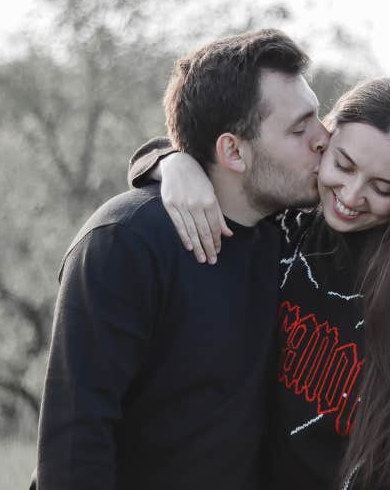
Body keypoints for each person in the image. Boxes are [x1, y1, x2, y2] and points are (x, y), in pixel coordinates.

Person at [133, 77, 390, 489]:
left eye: (383, 188)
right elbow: (230, 164)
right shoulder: (288, 224)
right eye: (343, 166)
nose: (350, 194)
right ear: (323, 141)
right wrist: (171, 162)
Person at [32, 28, 329, 489]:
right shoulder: (124, 242)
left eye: (317, 117)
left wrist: (165, 156)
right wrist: (168, 160)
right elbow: (76, 442)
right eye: (299, 128)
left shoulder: (295, 241)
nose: (323, 138)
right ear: (233, 150)